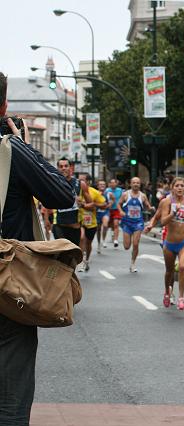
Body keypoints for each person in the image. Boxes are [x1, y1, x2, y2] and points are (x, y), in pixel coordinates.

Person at [0, 71, 76, 426]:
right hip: (6, 288)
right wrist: (24, 146)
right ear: (3, 107)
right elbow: (61, 195)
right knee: (10, 402)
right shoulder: (11, 151)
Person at [158, 177, 184, 310]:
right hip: (169, 243)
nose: (180, 188)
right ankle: (167, 292)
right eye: (177, 186)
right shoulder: (166, 202)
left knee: (182, 268)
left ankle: (181, 297)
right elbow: (163, 221)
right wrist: (173, 213)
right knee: (169, 271)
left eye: (182, 186)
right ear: (172, 188)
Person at [118, 177, 154, 273]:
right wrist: (121, 211)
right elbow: (119, 204)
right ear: (130, 184)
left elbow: (147, 205)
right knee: (126, 246)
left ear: (140, 184)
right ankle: (132, 257)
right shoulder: (125, 194)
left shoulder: (142, 196)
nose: (136, 184)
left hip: (138, 222)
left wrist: (151, 208)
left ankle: (133, 263)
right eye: (134, 182)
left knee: (136, 244)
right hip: (127, 222)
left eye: (137, 183)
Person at [52, 158, 91, 246]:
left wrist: (82, 204)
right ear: (57, 168)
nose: (63, 168)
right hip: (59, 224)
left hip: (74, 225)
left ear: (71, 168)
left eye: (66, 166)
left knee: (72, 255)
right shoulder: (54, 183)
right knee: (61, 251)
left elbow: (91, 204)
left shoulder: (80, 184)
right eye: (61, 166)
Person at [77, 173, 106, 272]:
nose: (79, 182)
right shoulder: (76, 191)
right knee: (81, 238)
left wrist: (92, 204)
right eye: (78, 180)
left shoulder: (94, 192)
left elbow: (104, 204)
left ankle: (87, 260)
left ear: (88, 182)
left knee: (88, 243)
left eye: (82, 180)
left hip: (91, 222)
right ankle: (81, 262)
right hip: (79, 220)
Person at [96, 179, 114, 254]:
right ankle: (99, 243)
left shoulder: (108, 193)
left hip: (105, 212)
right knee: (98, 229)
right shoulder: (95, 193)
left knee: (105, 225)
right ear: (98, 186)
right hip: (97, 213)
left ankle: (103, 240)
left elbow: (113, 199)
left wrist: (110, 204)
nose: (102, 186)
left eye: (103, 184)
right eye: (100, 184)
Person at [104, 179, 123, 248]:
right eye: (111, 183)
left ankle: (115, 240)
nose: (112, 184)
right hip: (108, 210)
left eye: (114, 183)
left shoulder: (120, 190)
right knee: (107, 225)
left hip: (117, 210)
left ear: (116, 183)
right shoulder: (107, 190)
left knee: (116, 224)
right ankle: (104, 240)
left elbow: (123, 199)